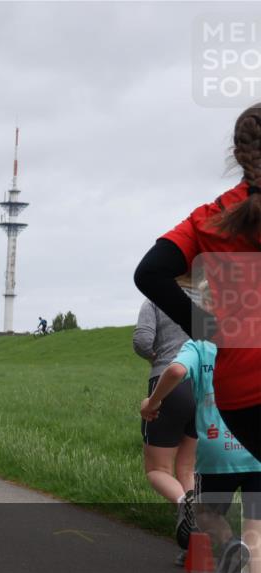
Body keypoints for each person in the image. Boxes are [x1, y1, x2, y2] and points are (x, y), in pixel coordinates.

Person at [135, 102, 261, 461]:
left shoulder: (207, 219)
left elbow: (149, 273)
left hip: (240, 393)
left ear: (237, 154)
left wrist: (206, 329)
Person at [141, 337, 260, 573]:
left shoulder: (199, 345)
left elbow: (176, 372)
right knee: (258, 536)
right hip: (255, 446)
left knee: (207, 514)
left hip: (216, 449)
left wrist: (152, 403)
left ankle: (228, 542)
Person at [132, 289, 197, 560]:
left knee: (157, 469)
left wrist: (155, 356)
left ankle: (186, 504)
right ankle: (195, 546)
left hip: (168, 381)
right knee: (187, 467)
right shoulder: (206, 298)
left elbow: (142, 341)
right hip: (204, 386)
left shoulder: (156, 299)